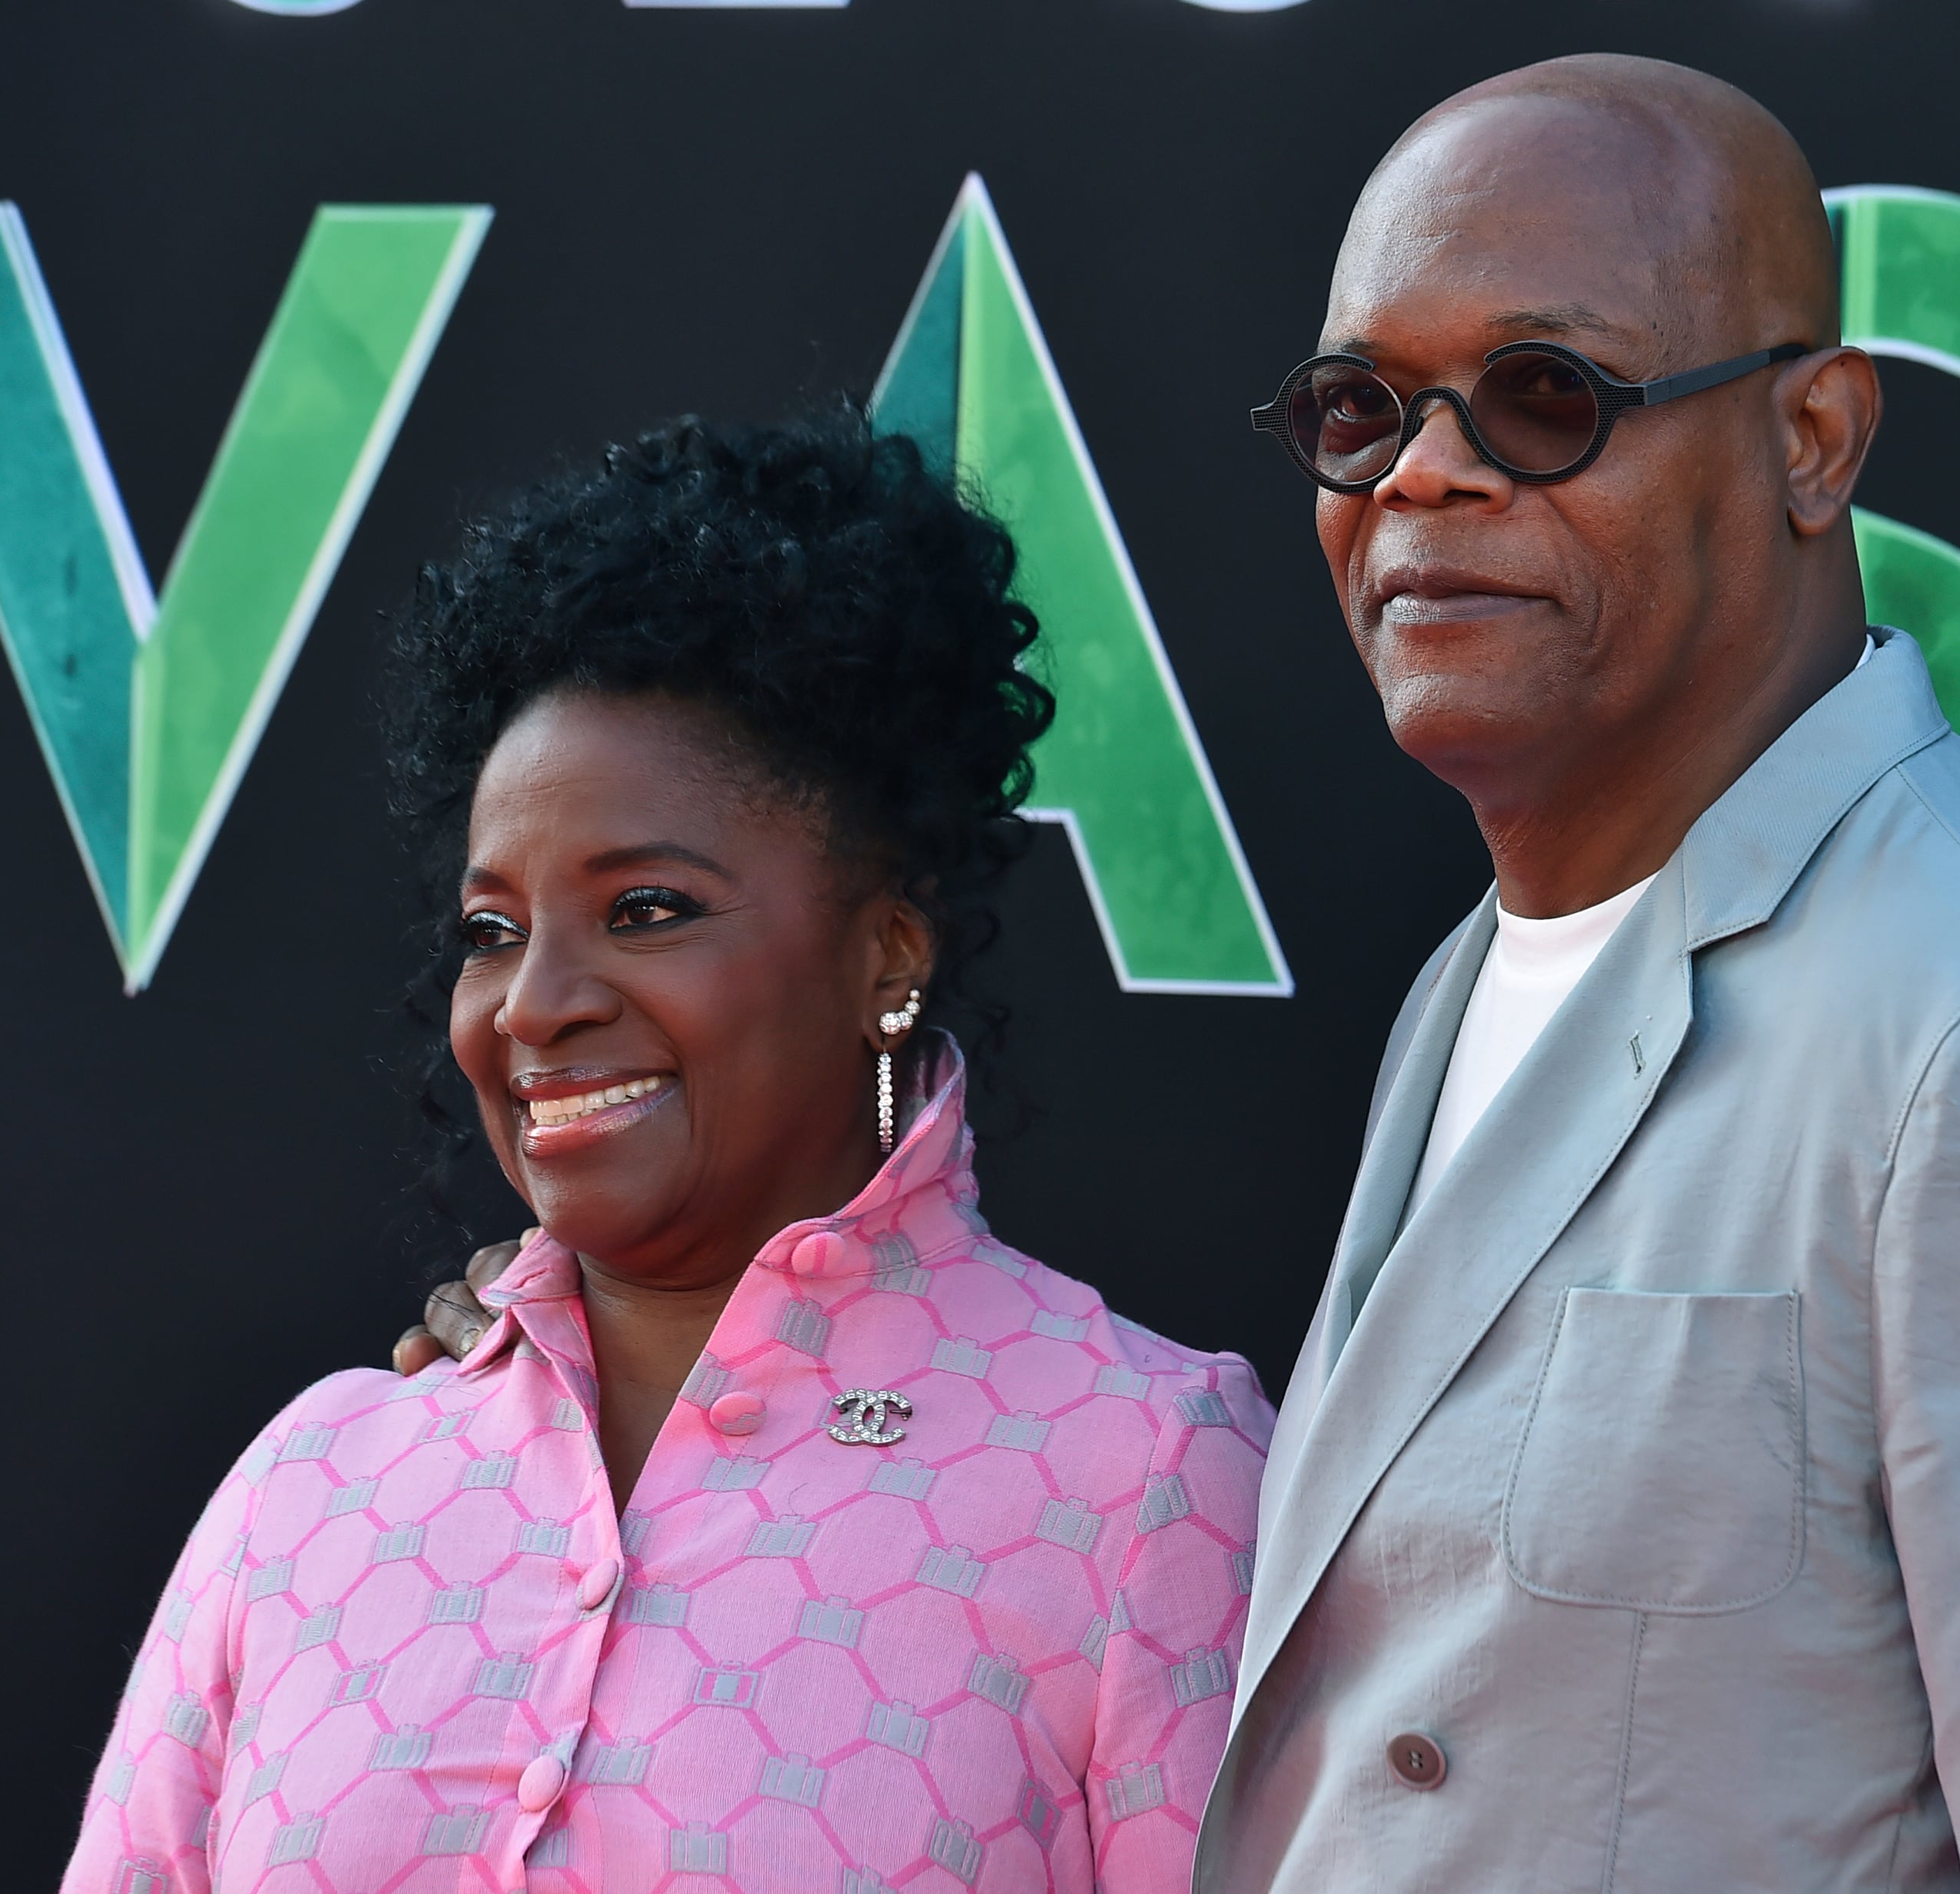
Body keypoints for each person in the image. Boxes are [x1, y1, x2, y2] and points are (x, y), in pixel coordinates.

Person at [411, 57, 1960, 1890]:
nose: (1425, 482)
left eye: (1551, 396)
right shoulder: (1493, 978)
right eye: (1362, 410)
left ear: (1815, 439)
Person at [64, 411, 1271, 1894]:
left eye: (647, 911)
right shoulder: (317, 1484)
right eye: (492, 932)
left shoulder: (1141, 1471)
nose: (536, 1002)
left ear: (886, 954)